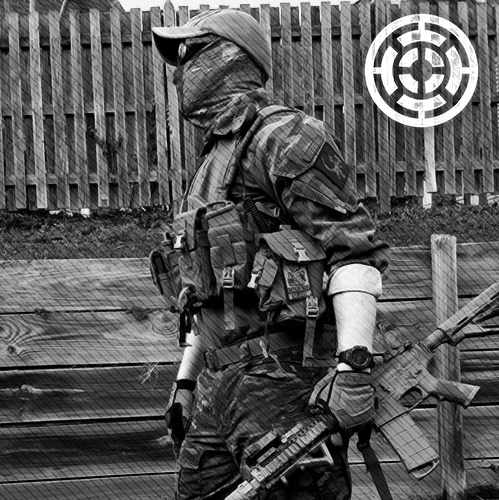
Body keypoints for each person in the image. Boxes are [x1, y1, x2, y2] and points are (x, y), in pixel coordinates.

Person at [151, 8, 389, 500]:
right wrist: (187, 382)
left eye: (192, 52)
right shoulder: (214, 159)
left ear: (231, 57)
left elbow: (353, 250)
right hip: (218, 387)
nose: (181, 70)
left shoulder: (284, 137)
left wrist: (353, 368)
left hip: (281, 384)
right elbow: (209, 290)